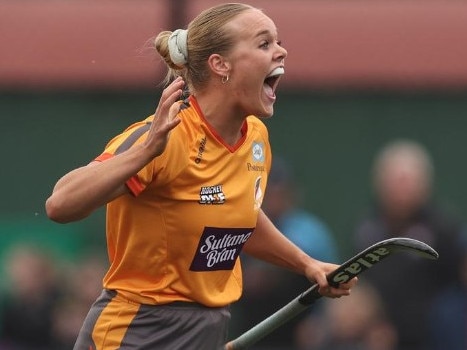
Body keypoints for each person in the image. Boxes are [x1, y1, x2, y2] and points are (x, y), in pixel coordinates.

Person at [45, 3, 356, 350]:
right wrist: (145, 152)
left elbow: (240, 219)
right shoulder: (167, 137)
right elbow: (60, 204)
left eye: (278, 42)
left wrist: (308, 265)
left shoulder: (255, 138)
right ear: (220, 65)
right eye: (264, 43)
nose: (281, 51)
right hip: (137, 331)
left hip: (208, 327)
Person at [353, 139, 466, 350]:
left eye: (408, 181)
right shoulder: (366, 230)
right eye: (396, 181)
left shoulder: (445, 229)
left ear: (425, 184)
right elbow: (361, 289)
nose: (401, 190)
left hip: (435, 337)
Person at [230, 156, 339, 349]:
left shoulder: (310, 231)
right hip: (250, 328)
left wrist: (320, 320)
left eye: (281, 193)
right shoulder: (239, 224)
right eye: (270, 193)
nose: (275, 200)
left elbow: (331, 283)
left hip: (298, 330)